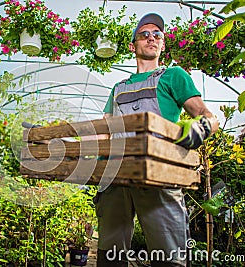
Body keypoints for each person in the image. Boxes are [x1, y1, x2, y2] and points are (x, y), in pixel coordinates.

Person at [95, 13, 219, 266]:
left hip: (158, 176)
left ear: (163, 45)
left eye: (157, 35)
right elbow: (104, 133)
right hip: (115, 177)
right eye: (144, 34)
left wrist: (200, 129)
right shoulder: (118, 88)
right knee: (110, 256)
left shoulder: (173, 76)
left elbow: (207, 116)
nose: (151, 38)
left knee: (168, 256)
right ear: (133, 46)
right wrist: (68, 150)